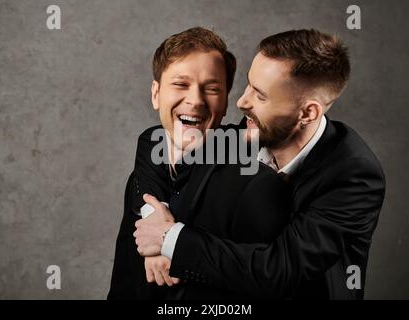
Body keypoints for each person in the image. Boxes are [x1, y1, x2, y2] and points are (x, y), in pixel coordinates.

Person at [134, 29, 386, 299]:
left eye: (260, 96)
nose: (242, 102)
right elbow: (158, 142)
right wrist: (153, 217)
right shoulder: (254, 133)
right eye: (249, 85)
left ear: (307, 112)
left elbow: (279, 270)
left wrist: (168, 239)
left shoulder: (354, 176)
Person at [108, 27, 291, 300]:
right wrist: (153, 219)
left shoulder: (254, 184)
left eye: (212, 88)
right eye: (181, 84)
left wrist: (167, 242)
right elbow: (125, 280)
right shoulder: (143, 176)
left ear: (228, 99)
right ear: (156, 94)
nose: (195, 100)